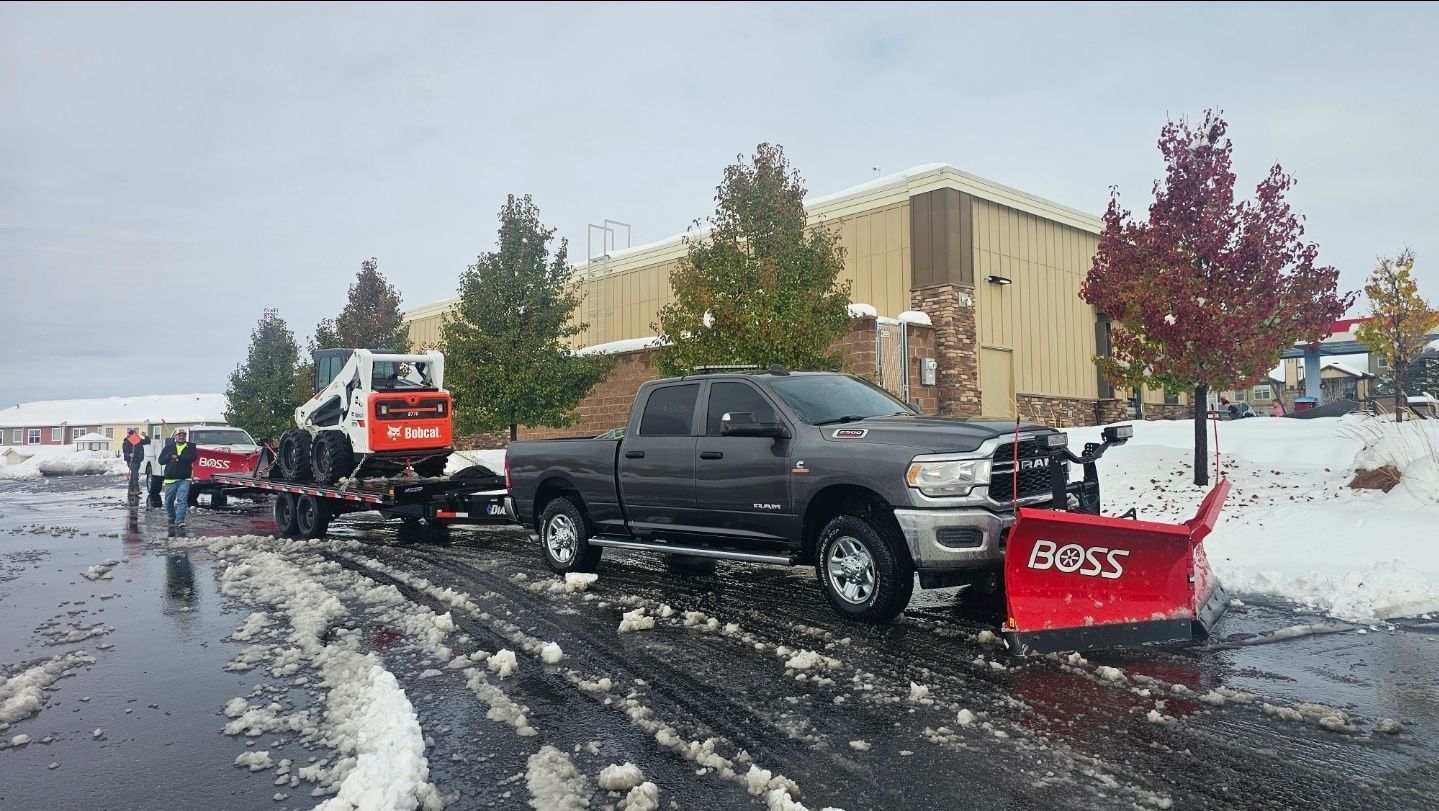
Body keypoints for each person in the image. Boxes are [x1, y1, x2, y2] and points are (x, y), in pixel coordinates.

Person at [158, 428, 198, 529]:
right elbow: (160, 461)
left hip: (184, 478)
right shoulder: (169, 448)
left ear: (185, 436)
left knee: (182, 500)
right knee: (169, 501)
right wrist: (169, 456)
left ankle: (180, 520)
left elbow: (193, 457)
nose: (181, 437)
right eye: (179, 435)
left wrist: (178, 457)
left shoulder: (191, 447)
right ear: (176, 436)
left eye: (183, 435)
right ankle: (172, 517)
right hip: (170, 478)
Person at [121, 428, 149, 495]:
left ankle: (130, 491)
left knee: (134, 475)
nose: (135, 435)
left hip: (138, 460)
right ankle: (136, 490)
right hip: (131, 461)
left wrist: (145, 436)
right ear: (130, 435)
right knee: (135, 475)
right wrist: (129, 454)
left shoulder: (138, 440)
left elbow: (147, 442)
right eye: (134, 434)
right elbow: (125, 451)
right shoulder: (127, 442)